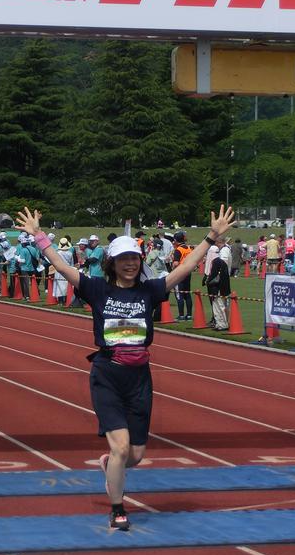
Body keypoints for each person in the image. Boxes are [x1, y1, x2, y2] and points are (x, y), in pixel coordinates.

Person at [15, 205, 236, 531]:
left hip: (139, 379)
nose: (130, 264)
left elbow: (187, 265)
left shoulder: (150, 290)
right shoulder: (97, 289)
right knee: (119, 447)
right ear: (113, 264)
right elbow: (60, 265)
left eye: (134, 259)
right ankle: (118, 508)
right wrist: (39, 235)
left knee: (135, 456)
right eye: (124, 260)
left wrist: (211, 237)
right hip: (107, 374)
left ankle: (110, 464)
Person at [206, 235, 231, 331]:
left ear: (218, 242)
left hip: (221, 282)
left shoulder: (224, 250)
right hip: (223, 281)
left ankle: (222, 324)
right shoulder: (225, 249)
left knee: (219, 304)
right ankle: (221, 323)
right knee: (220, 303)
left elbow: (222, 263)